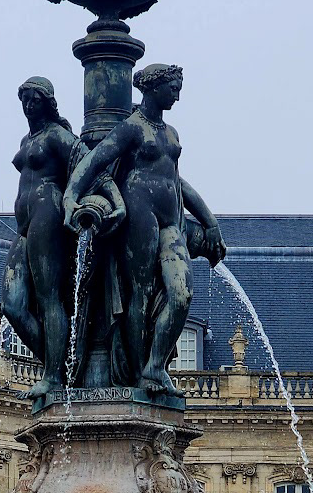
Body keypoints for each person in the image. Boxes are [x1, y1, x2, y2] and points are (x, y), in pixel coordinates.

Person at [63, 63, 226, 395]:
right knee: (140, 295)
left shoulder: (171, 133)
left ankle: (155, 364)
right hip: (140, 216)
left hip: (171, 221)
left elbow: (177, 181)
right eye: (173, 87)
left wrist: (209, 222)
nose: (178, 93)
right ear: (154, 87)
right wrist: (70, 196)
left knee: (181, 294)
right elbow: (94, 162)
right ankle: (142, 373)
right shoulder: (131, 128)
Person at [2, 77, 80, 399]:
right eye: (24, 99)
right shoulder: (27, 138)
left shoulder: (58, 135)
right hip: (24, 223)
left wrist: (75, 200)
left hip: (49, 211)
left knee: (49, 297)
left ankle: (52, 375)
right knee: (12, 304)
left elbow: (84, 160)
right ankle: (59, 366)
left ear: (47, 102)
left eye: (35, 99)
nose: (28, 105)